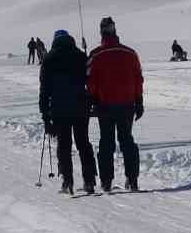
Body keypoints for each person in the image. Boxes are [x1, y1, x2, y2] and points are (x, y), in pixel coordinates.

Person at [87, 16, 144, 192]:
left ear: (101, 32)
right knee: (127, 141)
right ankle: (132, 179)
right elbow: (138, 79)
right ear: (115, 31)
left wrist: (93, 100)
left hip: (105, 105)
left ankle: (106, 181)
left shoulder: (96, 54)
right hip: (127, 104)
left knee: (106, 142)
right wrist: (139, 101)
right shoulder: (130, 53)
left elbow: (91, 82)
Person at [40, 29, 97, 195]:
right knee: (83, 143)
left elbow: (44, 91)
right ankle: (89, 180)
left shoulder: (49, 58)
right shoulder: (80, 56)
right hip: (80, 107)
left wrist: (46, 117)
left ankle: (67, 181)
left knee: (64, 145)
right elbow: (89, 80)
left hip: (59, 109)